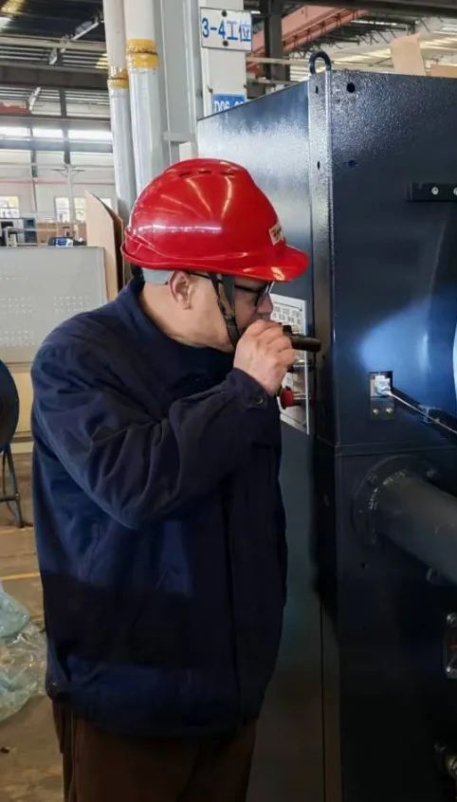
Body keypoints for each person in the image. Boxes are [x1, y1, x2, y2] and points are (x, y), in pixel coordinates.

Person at [30, 158, 309, 802]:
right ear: (183, 286)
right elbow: (134, 486)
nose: (267, 309)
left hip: (230, 688)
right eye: (253, 291)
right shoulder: (77, 360)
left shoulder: (226, 361)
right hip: (131, 700)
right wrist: (243, 392)